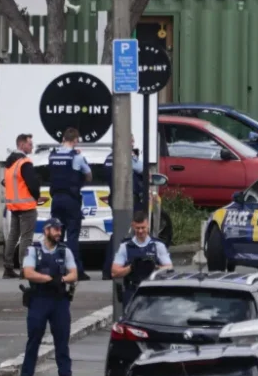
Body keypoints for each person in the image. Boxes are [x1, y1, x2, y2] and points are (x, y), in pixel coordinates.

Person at [15, 218, 83, 376]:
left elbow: (74, 274)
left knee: (62, 339)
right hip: (39, 299)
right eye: (55, 230)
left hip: (59, 300)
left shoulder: (64, 251)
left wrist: (61, 279)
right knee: (34, 338)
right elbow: (28, 272)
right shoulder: (33, 250)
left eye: (60, 230)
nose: (59, 233)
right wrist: (47, 279)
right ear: (46, 231)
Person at [49, 128, 93, 281]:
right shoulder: (77, 157)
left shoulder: (53, 155)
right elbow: (89, 176)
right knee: (72, 237)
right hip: (71, 200)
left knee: (56, 236)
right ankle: (76, 271)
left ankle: (56, 269)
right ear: (75, 140)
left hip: (55, 200)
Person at [102, 137, 145, 280]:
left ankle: (109, 268)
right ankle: (117, 268)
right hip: (127, 200)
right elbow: (141, 168)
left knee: (117, 233)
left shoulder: (108, 159)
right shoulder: (125, 157)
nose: (132, 143)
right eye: (130, 140)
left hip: (115, 198)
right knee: (126, 234)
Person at [111, 210, 173, 307]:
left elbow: (169, 268)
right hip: (132, 290)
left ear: (148, 225)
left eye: (143, 228)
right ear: (133, 226)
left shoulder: (157, 245)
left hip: (153, 290)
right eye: (137, 228)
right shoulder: (125, 246)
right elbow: (114, 272)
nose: (140, 231)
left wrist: (154, 267)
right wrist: (131, 267)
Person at [2, 133, 40, 279]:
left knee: (13, 237)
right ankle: (25, 269)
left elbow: (6, 183)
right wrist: (35, 197)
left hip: (14, 207)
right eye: (30, 144)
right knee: (26, 238)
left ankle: (8, 268)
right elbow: (33, 184)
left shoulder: (10, 163)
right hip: (27, 206)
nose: (32, 146)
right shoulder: (24, 163)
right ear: (22, 144)